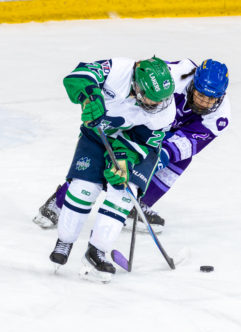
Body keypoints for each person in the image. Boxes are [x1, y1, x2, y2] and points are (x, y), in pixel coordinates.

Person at [34, 59, 230, 234]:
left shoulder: (220, 116)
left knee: (181, 160)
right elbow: (142, 81)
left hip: (167, 133)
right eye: (200, 94)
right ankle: (59, 201)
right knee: (102, 156)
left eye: (211, 99)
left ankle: (137, 206)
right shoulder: (174, 76)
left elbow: (190, 142)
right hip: (140, 122)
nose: (204, 102)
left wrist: (160, 156)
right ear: (193, 83)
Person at [48, 57, 176, 283]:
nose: (157, 105)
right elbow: (80, 75)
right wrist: (91, 96)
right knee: (83, 189)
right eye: (149, 98)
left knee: (123, 194)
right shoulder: (118, 70)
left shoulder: (164, 110)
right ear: (137, 85)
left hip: (137, 146)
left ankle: (97, 251)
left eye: (161, 100)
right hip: (98, 134)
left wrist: (123, 157)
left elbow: (147, 142)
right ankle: (65, 240)